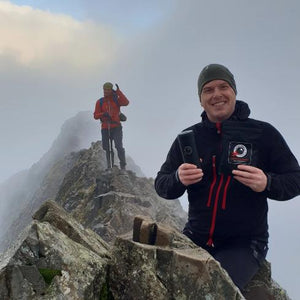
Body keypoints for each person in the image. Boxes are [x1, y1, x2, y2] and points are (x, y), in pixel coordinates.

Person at [154, 64, 300, 292]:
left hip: (244, 243)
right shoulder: (189, 138)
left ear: (234, 92)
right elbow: (162, 185)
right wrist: (177, 178)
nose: (217, 94)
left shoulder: (263, 133)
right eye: (208, 90)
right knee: (163, 285)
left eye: (223, 86)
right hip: (195, 236)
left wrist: (267, 183)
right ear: (201, 100)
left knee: (213, 292)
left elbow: (295, 179)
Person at [94, 82, 129, 170]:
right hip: (105, 127)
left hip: (116, 127)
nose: (105, 91)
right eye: (104, 89)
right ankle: (110, 166)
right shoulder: (100, 102)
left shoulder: (116, 99)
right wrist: (103, 114)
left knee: (118, 146)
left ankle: (123, 166)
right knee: (107, 148)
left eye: (107, 90)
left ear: (111, 90)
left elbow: (126, 102)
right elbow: (95, 115)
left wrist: (118, 92)